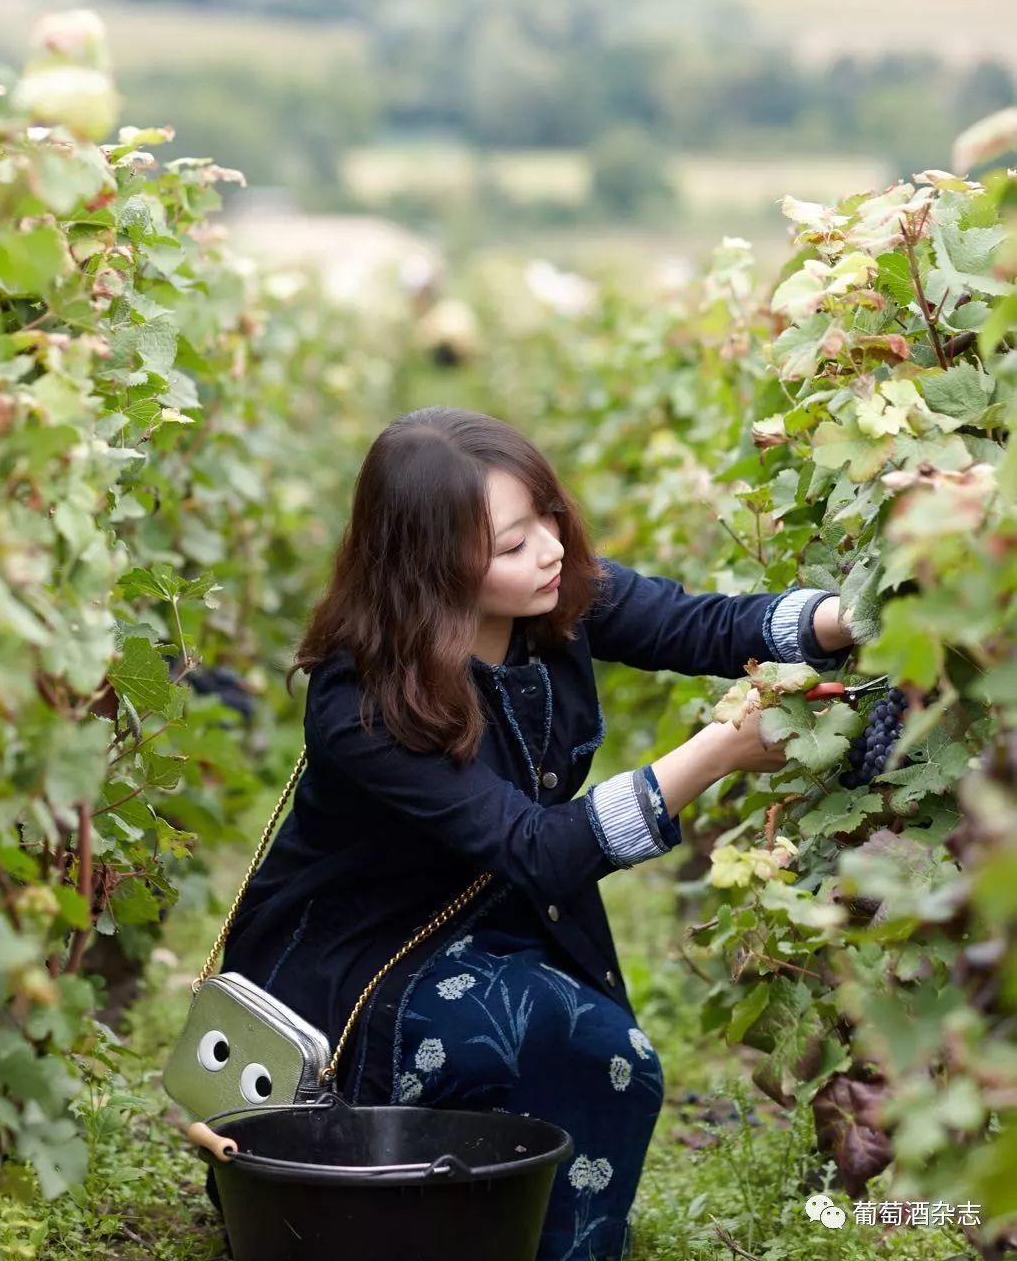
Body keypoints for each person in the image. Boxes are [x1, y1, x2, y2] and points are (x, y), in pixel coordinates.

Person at [218, 406, 854, 1260]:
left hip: (492, 921)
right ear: (428, 566)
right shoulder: (362, 704)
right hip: (362, 959)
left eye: (546, 517)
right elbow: (540, 850)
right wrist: (716, 753)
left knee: (583, 1055)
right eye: (511, 545)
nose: (551, 550)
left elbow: (695, 623)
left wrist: (844, 620)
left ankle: (533, 1231)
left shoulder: (556, 604)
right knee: (581, 1045)